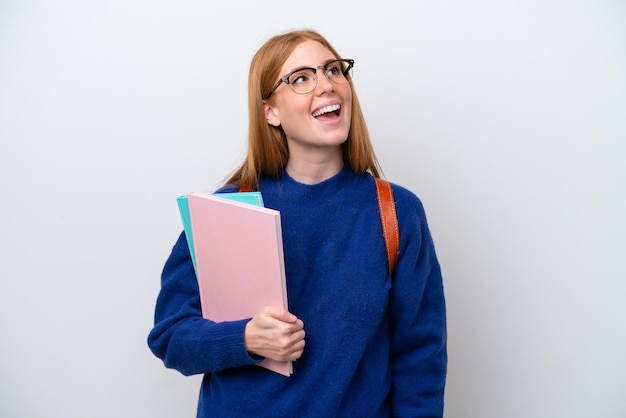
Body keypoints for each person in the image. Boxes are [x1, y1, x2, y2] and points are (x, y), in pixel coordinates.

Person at [148, 29, 447, 417]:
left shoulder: (396, 212)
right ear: (270, 111)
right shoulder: (228, 210)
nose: (326, 85)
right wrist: (245, 339)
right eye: (301, 78)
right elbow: (170, 337)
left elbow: (420, 358)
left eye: (334, 70)